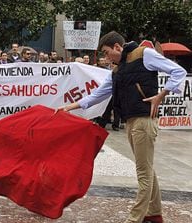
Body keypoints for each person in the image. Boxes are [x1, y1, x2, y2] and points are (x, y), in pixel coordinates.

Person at [59, 31, 186, 223]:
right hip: (132, 120)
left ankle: (135, 218)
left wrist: (162, 95)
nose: (105, 56)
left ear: (117, 47)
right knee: (147, 168)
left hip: (144, 119)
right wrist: (69, 107)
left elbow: (178, 71)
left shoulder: (144, 54)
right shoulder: (118, 70)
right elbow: (98, 94)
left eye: (106, 52)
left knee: (143, 172)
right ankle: (154, 213)